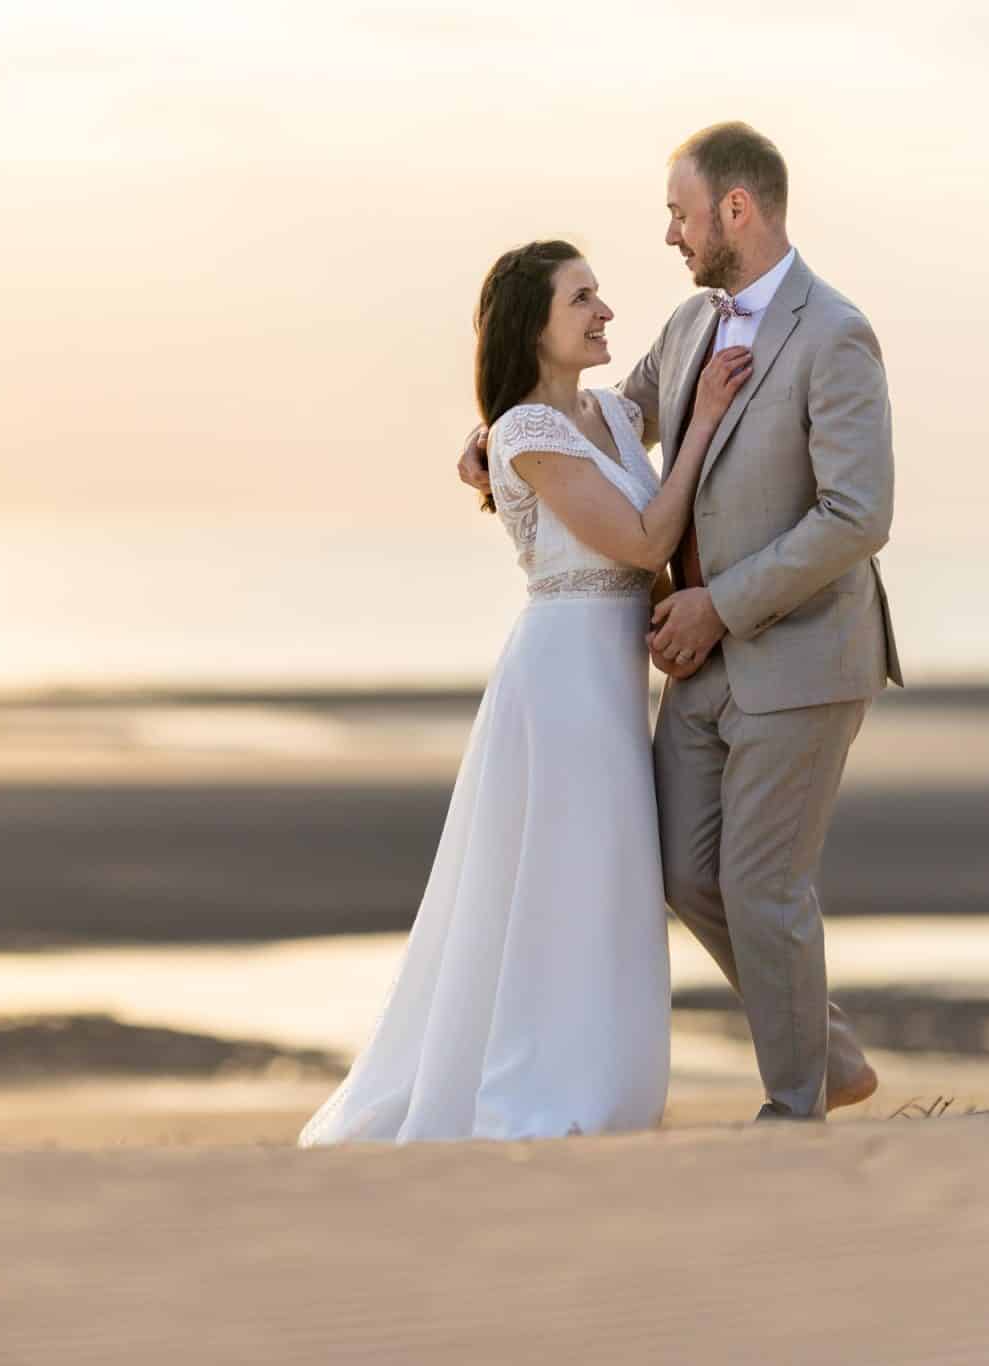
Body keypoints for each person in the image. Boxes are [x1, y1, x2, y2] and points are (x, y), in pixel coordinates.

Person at [457, 122, 902, 1121]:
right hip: (692, 665)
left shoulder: (833, 333)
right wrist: (497, 435)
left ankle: (794, 1109)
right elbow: (610, 419)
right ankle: (826, 1055)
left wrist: (716, 604)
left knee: (759, 882)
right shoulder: (692, 322)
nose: (668, 234)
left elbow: (855, 514)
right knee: (680, 871)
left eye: (678, 213)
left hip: (796, 655)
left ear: (733, 211)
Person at [297, 238, 752, 1144]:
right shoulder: (525, 432)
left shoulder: (615, 417)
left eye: (599, 293)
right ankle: (541, 1092)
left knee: (610, 879)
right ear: (533, 327)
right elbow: (641, 540)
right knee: (557, 877)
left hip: (612, 680)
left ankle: (610, 1085)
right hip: (561, 680)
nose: (604, 311)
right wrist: (700, 422)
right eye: (581, 298)